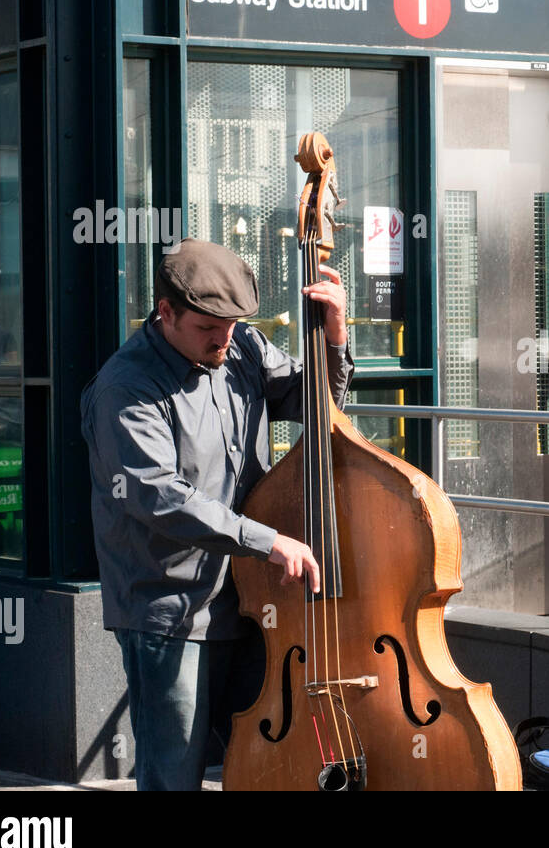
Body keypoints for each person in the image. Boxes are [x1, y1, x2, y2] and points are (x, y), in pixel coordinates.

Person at [81, 237, 353, 790]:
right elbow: (162, 496)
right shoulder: (125, 389)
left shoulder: (242, 346)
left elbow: (317, 404)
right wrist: (269, 540)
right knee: (174, 775)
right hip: (169, 609)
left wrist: (334, 336)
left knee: (269, 765)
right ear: (166, 313)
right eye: (209, 328)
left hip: (251, 601)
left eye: (231, 325)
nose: (223, 339)